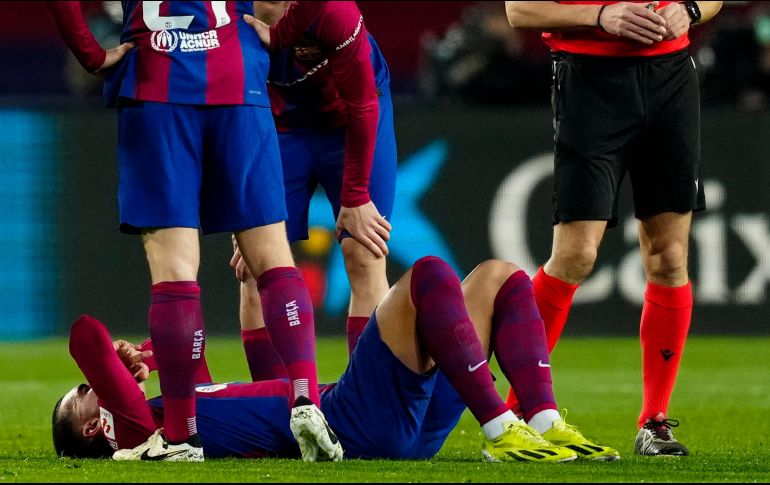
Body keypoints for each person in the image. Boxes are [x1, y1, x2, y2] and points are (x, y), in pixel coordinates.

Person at [46, 1, 339, 462]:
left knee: (175, 271)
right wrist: (282, 38)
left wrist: (91, 55)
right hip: (237, 76)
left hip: (157, 82)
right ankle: (307, 402)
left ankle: (182, 437)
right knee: (272, 259)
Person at [53, 257, 620, 462]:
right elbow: (87, 335)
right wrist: (114, 364)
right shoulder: (134, 434)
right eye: (81, 395)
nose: (90, 388)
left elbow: (233, 373)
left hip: (393, 432)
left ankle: (544, 422)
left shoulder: (173, 418)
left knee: (500, 277)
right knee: (426, 277)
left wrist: (249, 289)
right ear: (95, 425)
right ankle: (500, 427)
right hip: (351, 420)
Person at [503, 1, 723, 457]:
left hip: (671, 80)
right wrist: (602, 16)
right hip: (590, 83)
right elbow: (520, 10)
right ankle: (518, 414)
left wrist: (691, 9)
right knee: (575, 254)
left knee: (670, 257)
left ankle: (654, 422)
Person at [232, 1, 396, 380]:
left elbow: (362, 104)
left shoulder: (333, 10)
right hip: (276, 126)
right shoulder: (225, 12)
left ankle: (366, 407)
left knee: (364, 253)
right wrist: (238, 204)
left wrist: (355, 197)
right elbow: (223, 106)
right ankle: (274, 411)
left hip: (348, 121)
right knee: (255, 268)